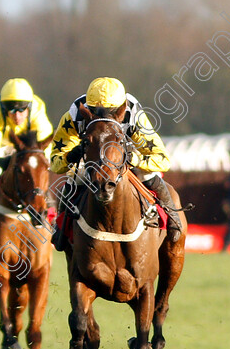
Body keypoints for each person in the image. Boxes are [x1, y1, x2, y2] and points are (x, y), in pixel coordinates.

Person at [50, 77, 182, 245]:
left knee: (149, 175)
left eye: (110, 111)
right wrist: (72, 155)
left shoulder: (133, 114)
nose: (102, 117)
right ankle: (60, 229)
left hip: (125, 156)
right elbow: (56, 163)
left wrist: (134, 158)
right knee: (73, 178)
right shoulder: (74, 115)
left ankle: (172, 217)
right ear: (87, 107)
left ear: (121, 108)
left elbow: (162, 160)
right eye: (96, 111)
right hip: (92, 159)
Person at [0, 78, 53, 201]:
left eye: (21, 110)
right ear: (4, 108)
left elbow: (45, 146)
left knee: (39, 176)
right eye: (12, 110)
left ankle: (50, 212)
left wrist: (40, 161)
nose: (17, 116)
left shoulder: (38, 109)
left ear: (29, 106)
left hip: (27, 151)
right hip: (1, 148)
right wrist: (1, 162)